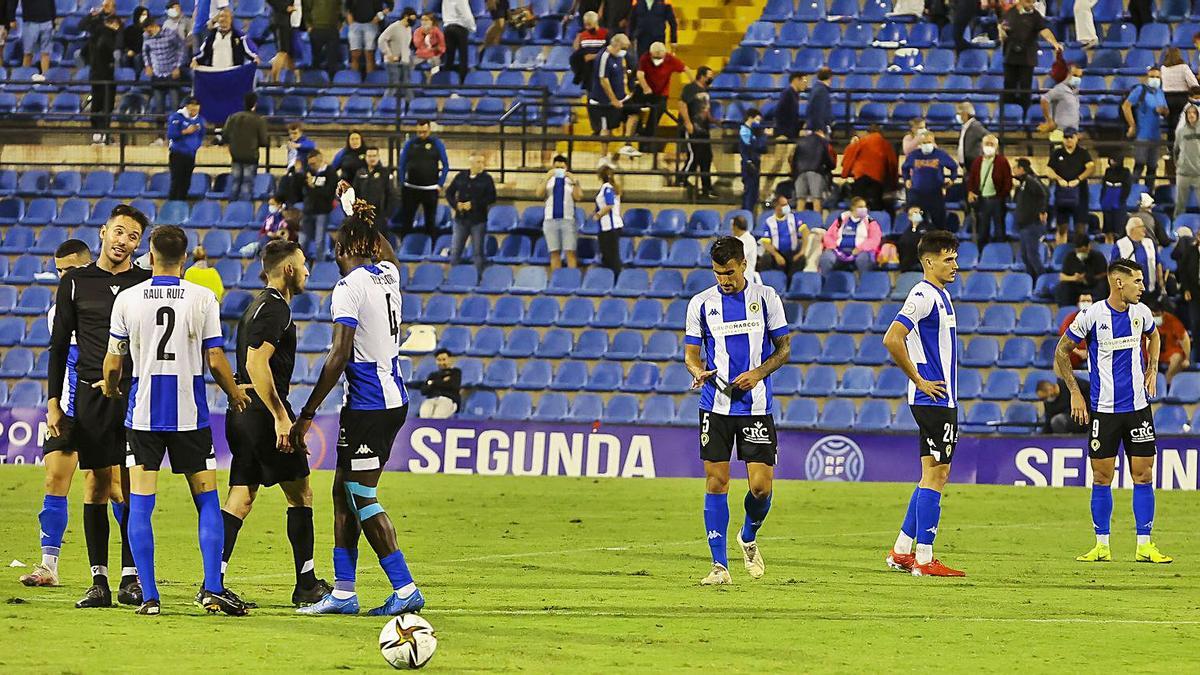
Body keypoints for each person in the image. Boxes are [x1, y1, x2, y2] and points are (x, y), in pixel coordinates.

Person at [103, 224, 251, 616]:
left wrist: (112, 387)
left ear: (151, 255)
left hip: (145, 415)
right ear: (185, 258)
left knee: (141, 503)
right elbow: (215, 359)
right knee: (206, 501)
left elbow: (114, 362)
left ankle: (150, 597)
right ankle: (212, 589)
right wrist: (235, 393)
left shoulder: (128, 299)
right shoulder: (202, 297)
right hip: (190, 416)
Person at [292, 202, 427, 617]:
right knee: (342, 494)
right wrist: (358, 211)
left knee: (360, 494)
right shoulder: (388, 275)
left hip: (369, 404)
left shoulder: (349, 287)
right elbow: (388, 252)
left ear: (341, 248)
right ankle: (345, 593)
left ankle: (405, 588)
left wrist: (309, 411)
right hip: (389, 399)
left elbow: (339, 353)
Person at [44, 209, 153, 610]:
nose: (123, 240)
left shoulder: (144, 282)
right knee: (96, 485)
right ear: (104, 232)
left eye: (133, 235)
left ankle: (131, 576)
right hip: (90, 397)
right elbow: (58, 348)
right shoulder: (75, 281)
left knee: (131, 487)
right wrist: (54, 402)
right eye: (119, 231)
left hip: (134, 395)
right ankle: (99, 580)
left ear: (139, 244)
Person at [220, 239, 332, 607]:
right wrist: (281, 417)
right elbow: (256, 363)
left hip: (242, 410)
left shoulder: (257, 306)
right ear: (288, 269)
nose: (307, 271)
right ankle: (307, 585)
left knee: (241, 497)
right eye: (303, 265)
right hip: (263, 413)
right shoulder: (275, 309)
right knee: (301, 494)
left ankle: (213, 582)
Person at [684, 236, 790, 586]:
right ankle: (719, 566)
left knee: (760, 489)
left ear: (743, 264)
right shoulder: (700, 304)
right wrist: (697, 371)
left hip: (756, 407)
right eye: (718, 273)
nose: (724, 280)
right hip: (714, 405)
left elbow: (784, 349)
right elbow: (690, 353)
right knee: (717, 481)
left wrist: (759, 373)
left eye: (729, 272)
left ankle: (747, 535)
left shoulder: (766, 297)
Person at [1056, 259, 1172, 565]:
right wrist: (1075, 393)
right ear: (1118, 282)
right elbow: (1062, 350)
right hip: (1104, 411)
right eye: (1138, 281)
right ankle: (1102, 545)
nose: (1143, 287)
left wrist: (1151, 368)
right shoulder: (1092, 315)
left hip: (1138, 409)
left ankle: (1145, 545)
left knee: (1143, 475)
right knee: (1102, 477)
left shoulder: (1142, 313)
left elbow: (1155, 336)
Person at [882, 230, 964, 577]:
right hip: (934, 399)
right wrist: (918, 379)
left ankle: (902, 551)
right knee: (938, 475)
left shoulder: (940, 295)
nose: (954, 265)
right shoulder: (923, 294)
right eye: (948, 259)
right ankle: (926, 560)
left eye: (955, 258)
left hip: (938, 399)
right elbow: (892, 337)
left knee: (928, 474)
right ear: (929, 262)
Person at [18, 241, 94, 589]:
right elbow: (62, 361)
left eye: (71, 271)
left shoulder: (108, 302)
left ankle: (128, 572)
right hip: (67, 410)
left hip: (102, 410)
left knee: (112, 488)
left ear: (88, 265)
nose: (64, 277)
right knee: (54, 479)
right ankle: (49, 566)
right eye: (60, 271)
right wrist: (54, 404)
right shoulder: (56, 310)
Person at [999, 0, 1062, 110]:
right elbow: (1001, 26)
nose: (1031, 4)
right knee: (1008, 89)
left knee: (1025, 90)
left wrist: (1054, 43)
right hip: (1010, 56)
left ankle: (1025, 118)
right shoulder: (1009, 12)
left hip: (1027, 58)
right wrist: (1001, 33)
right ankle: (1007, 119)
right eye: (1028, 1)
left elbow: (1044, 30)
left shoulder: (1035, 15)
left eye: (1032, 2)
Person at [588, 33, 641, 159]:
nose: (624, 51)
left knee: (634, 113)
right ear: (616, 45)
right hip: (604, 101)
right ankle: (603, 158)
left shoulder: (620, 55)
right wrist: (613, 100)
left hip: (622, 97)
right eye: (623, 48)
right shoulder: (604, 57)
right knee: (607, 129)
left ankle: (627, 144)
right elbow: (603, 80)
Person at [396, 119, 450, 240]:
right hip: (411, 188)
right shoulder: (410, 143)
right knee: (407, 220)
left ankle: (430, 247)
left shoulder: (437, 143)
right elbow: (402, 165)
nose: (422, 134)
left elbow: (445, 165)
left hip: (430, 189)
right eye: (420, 132)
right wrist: (401, 182)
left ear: (429, 130)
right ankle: (404, 245)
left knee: (430, 222)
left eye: (424, 131)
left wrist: (440, 184)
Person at [445, 153, 497, 275]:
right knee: (455, 250)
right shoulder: (461, 176)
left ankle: (478, 277)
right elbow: (449, 193)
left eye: (482, 162)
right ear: (471, 163)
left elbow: (491, 197)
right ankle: (454, 276)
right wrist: (456, 205)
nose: (481, 165)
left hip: (478, 220)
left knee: (478, 252)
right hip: (460, 219)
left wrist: (473, 204)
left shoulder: (487, 179)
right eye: (478, 162)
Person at [634, 41, 689, 154]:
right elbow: (640, 74)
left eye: (660, 57)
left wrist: (695, 86)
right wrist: (645, 87)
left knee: (654, 118)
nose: (657, 60)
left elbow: (685, 69)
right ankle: (636, 132)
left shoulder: (670, 60)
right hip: (646, 91)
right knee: (633, 108)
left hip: (661, 94)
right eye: (655, 57)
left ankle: (647, 145)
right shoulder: (645, 58)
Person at [1122, 67, 1170, 189]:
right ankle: (1133, 194)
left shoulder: (1160, 92)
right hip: (1142, 135)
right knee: (1139, 166)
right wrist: (1132, 125)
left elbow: (1166, 111)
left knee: (1152, 168)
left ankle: (1149, 195)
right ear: (1147, 77)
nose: (1155, 79)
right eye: (1152, 77)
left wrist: (1163, 111)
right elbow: (1126, 106)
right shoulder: (1140, 90)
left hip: (1155, 136)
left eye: (1158, 77)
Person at [902, 131, 958, 232]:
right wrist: (907, 180)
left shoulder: (940, 154)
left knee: (939, 223)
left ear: (933, 142)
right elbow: (905, 168)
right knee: (917, 223)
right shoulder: (913, 155)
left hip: (935, 194)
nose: (926, 144)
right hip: (917, 195)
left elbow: (954, 167)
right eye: (924, 142)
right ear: (920, 144)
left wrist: (952, 179)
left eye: (929, 142)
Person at [1046, 128, 1095, 242]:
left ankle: (1079, 251)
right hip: (1062, 193)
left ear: (1076, 138)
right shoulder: (1057, 153)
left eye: (1071, 137)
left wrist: (1078, 179)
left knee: (1080, 227)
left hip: (1080, 193)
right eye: (1066, 138)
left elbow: (1091, 167)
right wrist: (1058, 179)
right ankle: (1060, 252)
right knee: (1062, 226)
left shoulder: (1083, 153)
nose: (1068, 140)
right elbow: (1049, 170)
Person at [538, 154, 583, 271]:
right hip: (550, 220)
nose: (559, 170)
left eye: (561, 168)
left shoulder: (570, 181)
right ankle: (556, 282)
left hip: (567, 220)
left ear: (566, 168)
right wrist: (547, 177)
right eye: (556, 167)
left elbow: (578, 197)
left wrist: (575, 181)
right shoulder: (548, 181)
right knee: (554, 253)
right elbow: (539, 194)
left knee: (570, 253)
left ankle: (572, 281)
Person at [82, 9, 122, 144]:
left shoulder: (95, 34)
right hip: (106, 76)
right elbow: (113, 49)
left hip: (95, 75)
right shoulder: (109, 36)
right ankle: (103, 133)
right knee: (106, 106)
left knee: (97, 105)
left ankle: (96, 133)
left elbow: (83, 52)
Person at [966, 134, 1012, 248]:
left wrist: (1001, 195)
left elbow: (1008, 181)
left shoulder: (1002, 161)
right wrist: (971, 191)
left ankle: (1000, 253)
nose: (989, 147)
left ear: (996, 147)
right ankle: (982, 253)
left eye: (992, 144)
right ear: (982, 146)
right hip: (982, 200)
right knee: (982, 230)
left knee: (999, 229)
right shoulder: (977, 162)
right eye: (987, 144)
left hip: (997, 200)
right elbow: (971, 179)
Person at [841, 125, 899, 211]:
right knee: (875, 205)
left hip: (860, 176)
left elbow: (849, 156)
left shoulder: (861, 141)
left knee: (858, 204)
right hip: (877, 177)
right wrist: (893, 182)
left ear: (868, 132)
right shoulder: (885, 144)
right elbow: (892, 164)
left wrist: (845, 173)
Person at [678, 65, 715, 199]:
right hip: (693, 128)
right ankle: (681, 179)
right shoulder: (690, 88)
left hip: (704, 130)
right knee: (694, 156)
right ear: (702, 75)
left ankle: (707, 187)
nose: (711, 78)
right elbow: (682, 104)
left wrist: (714, 120)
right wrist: (687, 123)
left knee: (707, 158)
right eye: (709, 75)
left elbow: (705, 110)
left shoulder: (706, 91)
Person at [761, 194, 821, 276]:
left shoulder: (794, 217)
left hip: (793, 254)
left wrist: (802, 251)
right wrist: (776, 255)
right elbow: (766, 242)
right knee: (766, 259)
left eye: (787, 204)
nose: (787, 207)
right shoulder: (769, 222)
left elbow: (805, 231)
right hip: (777, 253)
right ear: (777, 207)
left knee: (801, 260)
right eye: (783, 205)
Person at [819, 198, 883, 275]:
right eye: (860, 207)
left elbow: (875, 239)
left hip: (861, 250)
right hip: (838, 249)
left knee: (863, 259)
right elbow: (829, 235)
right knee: (826, 257)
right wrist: (833, 246)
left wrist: (860, 248)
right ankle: (826, 282)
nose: (863, 209)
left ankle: (864, 283)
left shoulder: (870, 221)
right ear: (853, 208)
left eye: (864, 207)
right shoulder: (842, 219)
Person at [224, 92, 269, 202]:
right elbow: (264, 141)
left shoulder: (233, 117)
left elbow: (225, 135)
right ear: (255, 104)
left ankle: (232, 209)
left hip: (235, 155)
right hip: (251, 156)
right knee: (247, 185)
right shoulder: (259, 120)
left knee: (235, 183)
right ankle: (244, 211)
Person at [1011, 157, 1049, 279]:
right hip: (1024, 225)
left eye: (1015, 168)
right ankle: (1032, 281)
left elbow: (1043, 194)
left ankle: (1042, 280)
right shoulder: (1023, 183)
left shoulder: (1031, 180)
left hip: (1032, 225)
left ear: (1021, 169)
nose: (1013, 170)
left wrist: (1042, 211)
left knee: (1032, 255)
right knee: (1025, 256)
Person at [350, 146, 399, 233]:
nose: (372, 158)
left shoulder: (385, 173)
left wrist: (387, 214)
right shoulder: (360, 173)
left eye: (374, 156)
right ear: (365, 157)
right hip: (362, 215)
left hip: (379, 216)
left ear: (378, 157)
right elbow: (354, 193)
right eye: (369, 156)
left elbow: (392, 195)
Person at [1111, 217, 1163, 300]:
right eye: (1141, 227)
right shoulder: (1120, 245)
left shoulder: (1150, 242)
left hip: (1150, 290)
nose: (1144, 229)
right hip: (1130, 292)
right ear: (1133, 229)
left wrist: (1161, 283)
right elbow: (1114, 269)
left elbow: (1158, 263)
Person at [142, 21, 187, 115]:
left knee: (175, 107)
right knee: (159, 109)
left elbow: (181, 48)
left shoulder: (170, 33)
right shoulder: (146, 36)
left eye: (148, 30)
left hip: (172, 73)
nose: (147, 32)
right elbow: (145, 52)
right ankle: (159, 127)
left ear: (153, 26)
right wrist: (148, 65)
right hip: (157, 74)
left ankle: (175, 127)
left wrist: (177, 66)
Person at [301, 150, 339, 261]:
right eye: (310, 164)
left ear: (320, 159)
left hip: (322, 211)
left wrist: (314, 187)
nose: (312, 166)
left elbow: (329, 192)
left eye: (314, 163)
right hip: (308, 210)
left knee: (319, 241)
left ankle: (320, 266)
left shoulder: (330, 172)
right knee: (303, 240)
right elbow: (304, 190)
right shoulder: (308, 172)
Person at [790, 128, 836, 216]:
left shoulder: (801, 141)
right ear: (821, 131)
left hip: (800, 172)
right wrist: (830, 167)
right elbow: (828, 160)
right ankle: (817, 222)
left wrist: (794, 173)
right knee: (817, 199)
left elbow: (794, 159)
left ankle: (799, 222)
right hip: (816, 172)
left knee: (800, 199)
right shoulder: (823, 142)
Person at [166, 96, 204, 202]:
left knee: (186, 183)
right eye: (191, 105)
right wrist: (185, 132)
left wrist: (195, 147)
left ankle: (182, 208)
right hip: (177, 154)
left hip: (190, 155)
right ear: (187, 106)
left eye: (196, 105)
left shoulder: (200, 120)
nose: (194, 108)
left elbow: (201, 135)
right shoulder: (177, 117)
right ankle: (172, 206)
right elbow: (171, 134)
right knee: (176, 182)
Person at [8, 0, 56, 79]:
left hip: (47, 21)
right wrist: (11, 18)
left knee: (46, 53)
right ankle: (24, 80)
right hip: (30, 22)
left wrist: (53, 19)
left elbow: (51, 2)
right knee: (28, 53)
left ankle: (45, 79)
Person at [1056, 234, 1108, 306]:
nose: (1081, 253)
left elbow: (1105, 274)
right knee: (1063, 286)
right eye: (1079, 251)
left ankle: (1098, 306)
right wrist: (1074, 278)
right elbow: (1062, 276)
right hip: (1076, 286)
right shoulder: (1070, 257)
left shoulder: (1098, 256)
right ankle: (1066, 308)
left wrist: (1087, 278)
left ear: (1088, 247)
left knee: (1104, 285)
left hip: (1093, 285)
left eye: (1083, 251)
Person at [1149, 301, 1192, 384]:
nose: (1155, 317)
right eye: (1153, 315)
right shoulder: (1145, 320)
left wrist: (1187, 358)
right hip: (1149, 351)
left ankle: (1166, 383)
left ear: (1163, 313)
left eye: (1157, 315)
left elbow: (1185, 338)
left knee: (1177, 357)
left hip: (1168, 351)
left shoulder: (1171, 320)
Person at [739, 107, 771, 212]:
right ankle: (747, 215)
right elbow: (756, 146)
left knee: (754, 193)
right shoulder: (744, 131)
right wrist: (764, 135)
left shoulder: (753, 132)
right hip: (749, 165)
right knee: (749, 193)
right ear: (750, 118)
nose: (758, 123)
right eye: (757, 120)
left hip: (755, 164)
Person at [378, 8, 416, 96]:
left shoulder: (409, 28)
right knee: (393, 85)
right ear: (406, 16)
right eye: (412, 18)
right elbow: (381, 40)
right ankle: (386, 106)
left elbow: (406, 45)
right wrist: (388, 54)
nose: (414, 20)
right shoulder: (394, 27)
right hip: (393, 62)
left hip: (405, 61)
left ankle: (410, 106)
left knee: (407, 86)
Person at [1161, 47, 1198, 135]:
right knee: (1183, 123)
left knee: (1171, 124)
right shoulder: (1184, 67)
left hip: (1167, 98)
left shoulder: (1163, 68)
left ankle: (1170, 146)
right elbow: (1194, 84)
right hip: (1182, 98)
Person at [594, 165, 624, 275]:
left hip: (609, 226)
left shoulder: (607, 187)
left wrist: (598, 214)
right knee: (608, 255)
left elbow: (610, 204)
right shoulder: (613, 187)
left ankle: (616, 278)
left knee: (611, 256)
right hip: (609, 226)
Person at [1038, 63, 1083, 134]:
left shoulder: (1075, 91)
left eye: (1080, 77)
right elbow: (1044, 100)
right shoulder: (1060, 88)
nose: (1077, 79)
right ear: (1068, 74)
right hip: (1059, 132)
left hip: (1072, 132)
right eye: (1075, 76)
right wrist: (1049, 121)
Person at [346, 0, 387, 74]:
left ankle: (370, 81)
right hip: (355, 24)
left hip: (372, 24)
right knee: (354, 55)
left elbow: (390, 5)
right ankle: (354, 81)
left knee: (369, 55)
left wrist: (379, 16)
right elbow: (346, 5)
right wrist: (349, 16)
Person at [569, 10, 607, 88]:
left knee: (589, 64)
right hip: (585, 57)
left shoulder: (605, 33)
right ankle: (579, 76)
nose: (587, 27)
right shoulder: (583, 34)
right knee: (575, 57)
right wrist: (578, 37)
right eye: (585, 25)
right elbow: (576, 49)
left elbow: (608, 50)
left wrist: (593, 56)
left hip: (599, 57)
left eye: (589, 25)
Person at [1099, 153, 1132, 242]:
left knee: (1119, 229)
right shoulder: (1108, 171)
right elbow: (1104, 186)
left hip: (1119, 201)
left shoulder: (1126, 172)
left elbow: (1127, 188)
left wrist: (1121, 200)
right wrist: (1102, 200)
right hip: (1107, 200)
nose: (1112, 162)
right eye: (1111, 160)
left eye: (1114, 160)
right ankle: (1108, 247)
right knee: (1107, 228)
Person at [418, 349, 461, 419]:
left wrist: (432, 383)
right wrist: (443, 381)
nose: (441, 362)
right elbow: (423, 391)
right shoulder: (432, 374)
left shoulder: (456, 372)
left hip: (448, 400)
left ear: (450, 359)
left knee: (437, 418)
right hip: (431, 400)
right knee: (424, 417)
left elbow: (454, 386)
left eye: (444, 359)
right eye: (439, 360)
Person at [1175, 103, 1200, 217]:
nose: (1191, 115)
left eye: (1193, 113)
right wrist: (1179, 165)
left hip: (1199, 174)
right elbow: (1175, 150)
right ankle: (1176, 227)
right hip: (1183, 174)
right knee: (1180, 205)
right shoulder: (1181, 131)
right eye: (1189, 113)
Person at [307, 0, 344, 78]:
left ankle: (331, 82)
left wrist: (340, 22)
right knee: (316, 58)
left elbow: (341, 7)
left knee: (332, 60)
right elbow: (306, 9)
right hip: (316, 28)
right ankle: (315, 81)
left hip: (332, 28)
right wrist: (308, 25)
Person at [267, 0, 300, 82]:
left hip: (288, 22)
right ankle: (274, 80)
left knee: (289, 53)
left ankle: (296, 79)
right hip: (280, 21)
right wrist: (285, 7)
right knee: (283, 51)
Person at [442, 0, 474, 82]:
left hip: (448, 27)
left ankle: (446, 81)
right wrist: (472, 27)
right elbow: (466, 14)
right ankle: (462, 83)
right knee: (463, 57)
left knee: (449, 58)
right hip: (460, 28)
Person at [955, 102, 988, 171]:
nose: (958, 116)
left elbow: (989, 138)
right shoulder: (964, 126)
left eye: (959, 113)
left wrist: (981, 153)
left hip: (973, 164)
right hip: (966, 165)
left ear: (965, 114)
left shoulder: (976, 126)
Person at [897, 205, 931, 272]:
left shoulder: (928, 228)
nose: (918, 214)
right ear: (909, 217)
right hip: (908, 265)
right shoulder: (906, 232)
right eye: (915, 213)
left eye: (919, 212)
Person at [729, 216, 761, 284]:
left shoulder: (748, 240)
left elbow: (736, 257)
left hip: (745, 278)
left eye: (732, 226)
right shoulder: (737, 239)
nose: (731, 229)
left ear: (736, 227)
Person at [775, 72, 805, 141]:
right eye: (803, 81)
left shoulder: (795, 94)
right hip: (785, 133)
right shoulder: (787, 93)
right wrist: (783, 132)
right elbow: (779, 111)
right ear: (796, 80)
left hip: (791, 132)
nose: (805, 84)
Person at [120, 7, 149, 75]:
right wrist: (128, 51)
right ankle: (126, 78)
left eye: (146, 15)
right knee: (124, 58)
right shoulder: (129, 29)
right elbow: (124, 43)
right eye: (143, 14)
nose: (145, 17)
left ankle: (138, 80)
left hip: (144, 53)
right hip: (131, 52)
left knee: (137, 58)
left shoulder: (149, 29)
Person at [806, 67, 834, 133]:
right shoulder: (821, 91)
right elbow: (819, 112)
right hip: (819, 130)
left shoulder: (817, 88)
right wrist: (820, 130)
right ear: (830, 77)